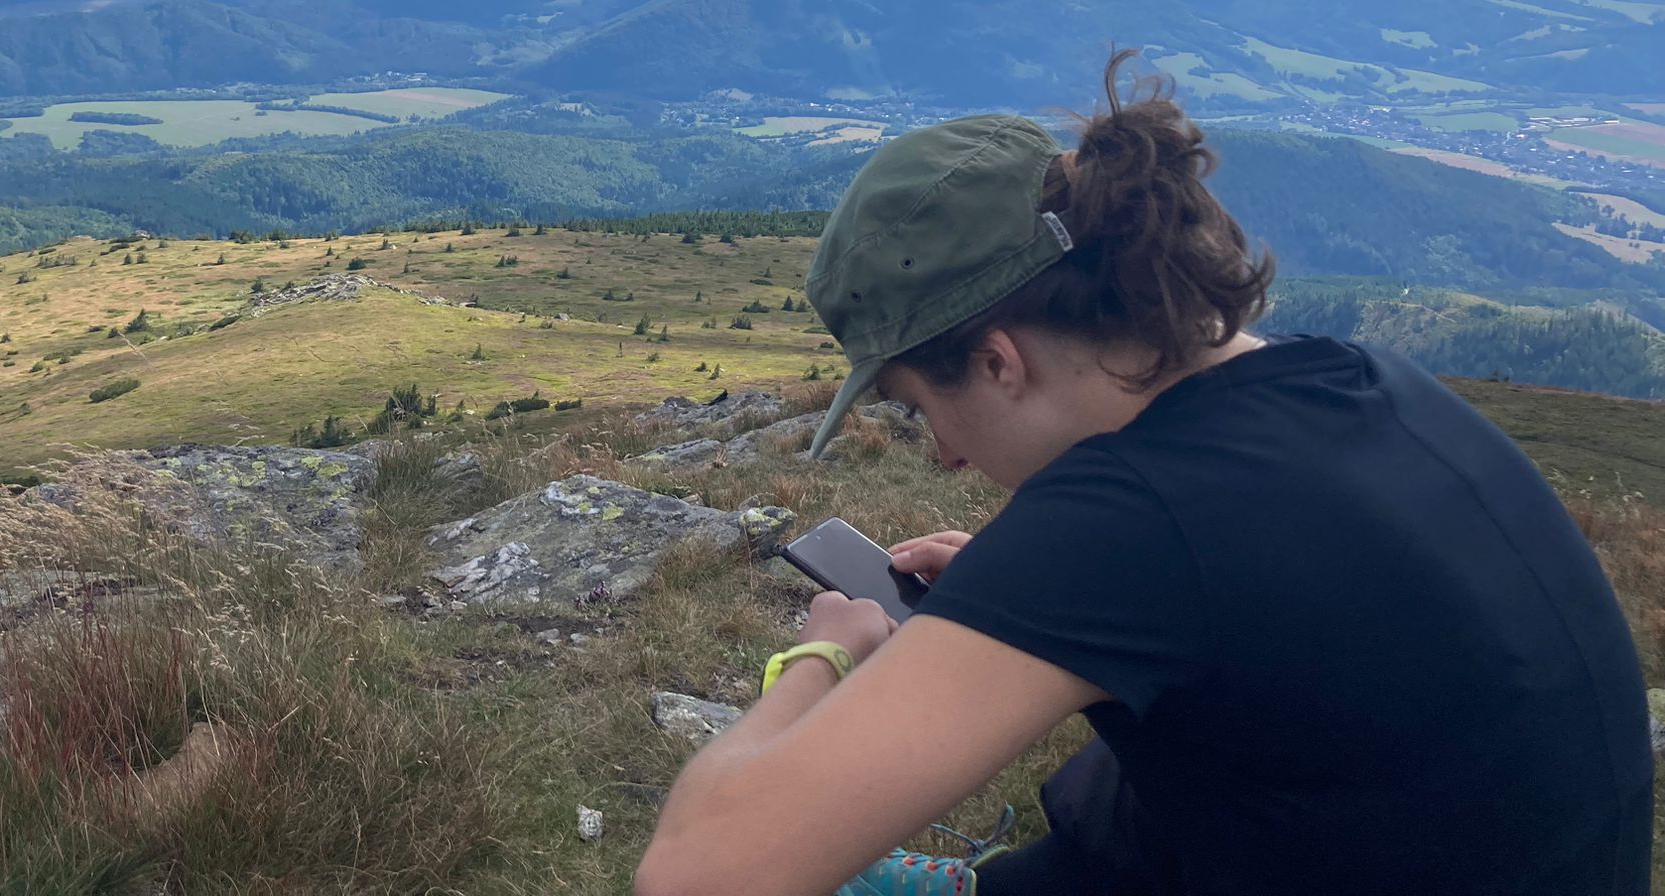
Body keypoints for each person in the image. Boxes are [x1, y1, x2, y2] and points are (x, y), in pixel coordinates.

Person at [634, 52, 1652, 896]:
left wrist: (819, 659)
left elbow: (697, 877)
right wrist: (1023, 590)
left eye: (917, 406)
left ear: (997, 360)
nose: (939, 450)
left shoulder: (1127, 522)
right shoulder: (1352, 384)